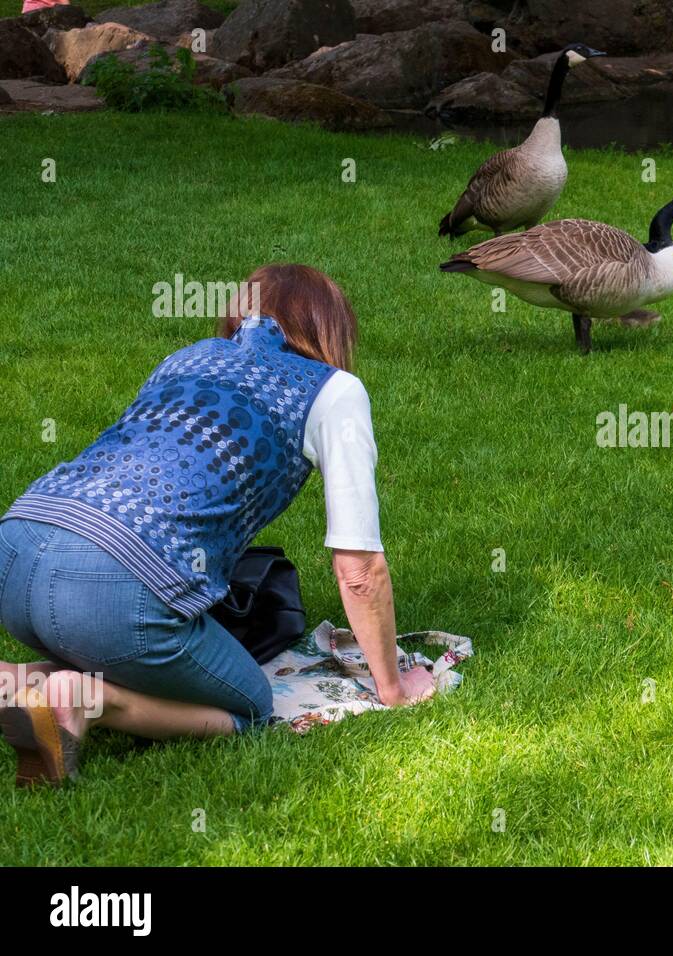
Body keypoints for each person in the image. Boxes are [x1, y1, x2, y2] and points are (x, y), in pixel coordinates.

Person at [0, 264, 434, 787]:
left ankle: (16, 681)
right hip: (110, 591)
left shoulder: (184, 359)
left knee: (103, 623)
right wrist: (393, 689)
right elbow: (359, 567)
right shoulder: (334, 390)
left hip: (17, 545)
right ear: (329, 328)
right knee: (251, 706)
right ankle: (86, 703)